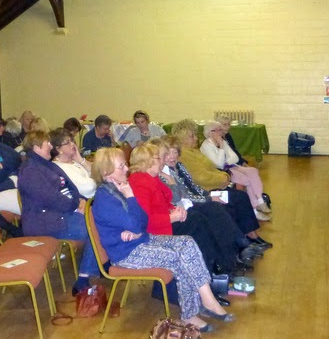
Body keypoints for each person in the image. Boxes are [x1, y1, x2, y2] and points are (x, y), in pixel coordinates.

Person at [91, 147, 234, 332]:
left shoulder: (118, 189)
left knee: (187, 242)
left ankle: (207, 299)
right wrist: (131, 198)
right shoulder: (105, 198)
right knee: (176, 257)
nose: (126, 169)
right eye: (121, 166)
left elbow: (142, 221)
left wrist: (135, 227)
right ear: (106, 172)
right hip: (126, 254)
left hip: (140, 241)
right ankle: (190, 313)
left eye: (125, 164)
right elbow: (138, 224)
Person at [127, 144, 242, 275]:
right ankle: (217, 266)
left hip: (166, 219)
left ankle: (223, 262)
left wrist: (174, 210)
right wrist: (171, 217)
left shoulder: (151, 178)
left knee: (204, 214)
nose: (161, 161)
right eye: (158, 158)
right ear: (147, 162)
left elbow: (167, 200)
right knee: (198, 221)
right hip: (157, 229)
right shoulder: (139, 184)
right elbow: (145, 220)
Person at [17, 130, 100, 295]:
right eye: (47, 143)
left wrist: (81, 200)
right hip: (45, 221)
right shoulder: (30, 171)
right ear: (36, 148)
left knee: (101, 221)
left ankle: (99, 264)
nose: (50, 146)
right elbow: (52, 199)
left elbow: (71, 187)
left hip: (61, 213)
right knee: (95, 227)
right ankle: (84, 279)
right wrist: (76, 205)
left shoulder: (46, 165)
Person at [162, 136, 272, 249]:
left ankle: (251, 235)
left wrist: (208, 194)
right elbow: (186, 196)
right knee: (221, 207)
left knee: (240, 196)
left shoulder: (179, 166)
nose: (172, 156)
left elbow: (194, 186)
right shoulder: (165, 173)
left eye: (175, 152)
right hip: (190, 203)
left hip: (201, 195)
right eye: (168, 153)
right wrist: (209, 198)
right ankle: (241, 243)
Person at [200, 121, 271, 219]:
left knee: (253, 171)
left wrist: (226, 159)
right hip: (221, 171)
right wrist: (221, 148)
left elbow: (235, 158)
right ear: (208, 133)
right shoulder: (206, 146)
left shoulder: (223, 141)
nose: (219, 132)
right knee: (245, 179)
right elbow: (219, 164)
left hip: (232, 166)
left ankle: (260, 201)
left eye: (219, 130)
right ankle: (254, 210)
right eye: (215, 130)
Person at [51, 128, 97, 199]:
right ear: (58, 149)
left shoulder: (73, 161)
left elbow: (97, 171)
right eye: (68, 142)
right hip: (88, 202)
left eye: (72, 140)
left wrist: (80, 160)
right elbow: (89, 188)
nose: (73, 144)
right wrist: (97, 178)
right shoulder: (60, 167)